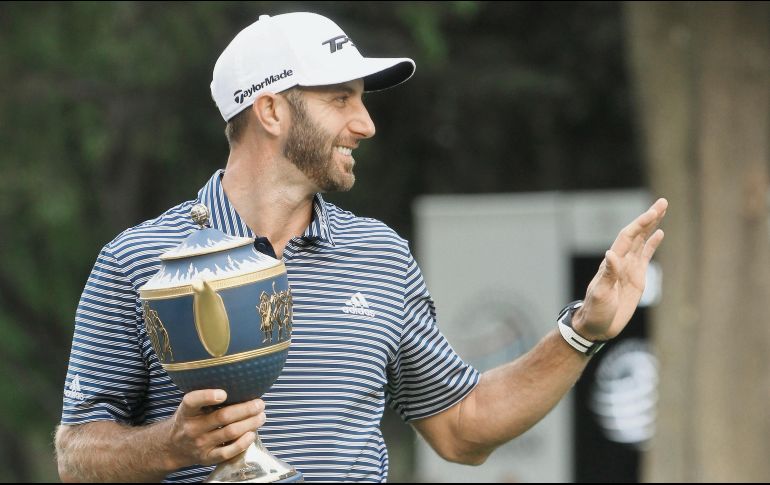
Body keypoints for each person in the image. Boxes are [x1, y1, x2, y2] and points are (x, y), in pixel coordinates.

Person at [54, 11, 667, 483]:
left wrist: (582, 332)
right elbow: (76, 454)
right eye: (340, 98)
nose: (365, 123)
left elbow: (463, 427)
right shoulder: (138, 260)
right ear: (270, 110)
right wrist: (170, 446)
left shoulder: (380, 256)